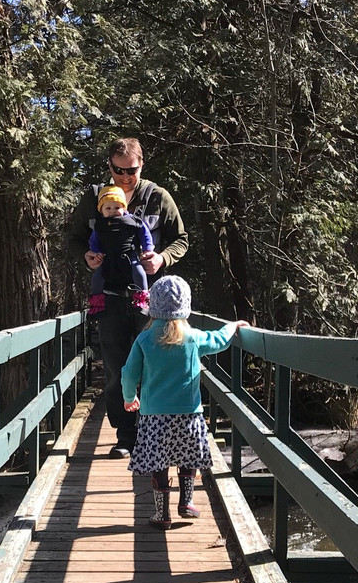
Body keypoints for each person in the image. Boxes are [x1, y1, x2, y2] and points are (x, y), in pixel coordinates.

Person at [66, 137, 190, 458]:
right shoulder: (94, 199)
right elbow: (75, 238)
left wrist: (162, 258)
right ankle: (126, 436)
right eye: (118, 170)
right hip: (109, 300)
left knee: (155, 366)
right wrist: (87, 256)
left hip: (151, 302)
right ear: (109, 166)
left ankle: (156, 434)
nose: (124, 177)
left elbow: (181, 239)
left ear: (141, 165)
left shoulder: (158, 198)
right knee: (117, 368)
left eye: (131, 171)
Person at [121, 276, 249, 528]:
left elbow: (129, 372)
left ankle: (162, 514)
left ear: (153, 307)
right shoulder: (192, 337)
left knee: (159, 463)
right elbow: (218, 341)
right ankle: (187, 502)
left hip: (154, 416)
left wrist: (129, 397)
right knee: (188, 457)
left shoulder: (144, 339)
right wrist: (231, 327)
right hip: (189, 414)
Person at [87, 185, 154, 318]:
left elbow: (145, 235)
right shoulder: (100, 226)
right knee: (97, 278)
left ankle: (142, 300)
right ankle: (97, 305)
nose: (112, 211)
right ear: (101, 210)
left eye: (117, 207)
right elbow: (94, 242)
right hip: (108, 259)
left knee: (139, 273)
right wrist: (96, 254)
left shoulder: (133, 221)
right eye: (108, 208)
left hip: (130, 256)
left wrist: (148, 249)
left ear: (124, 207)